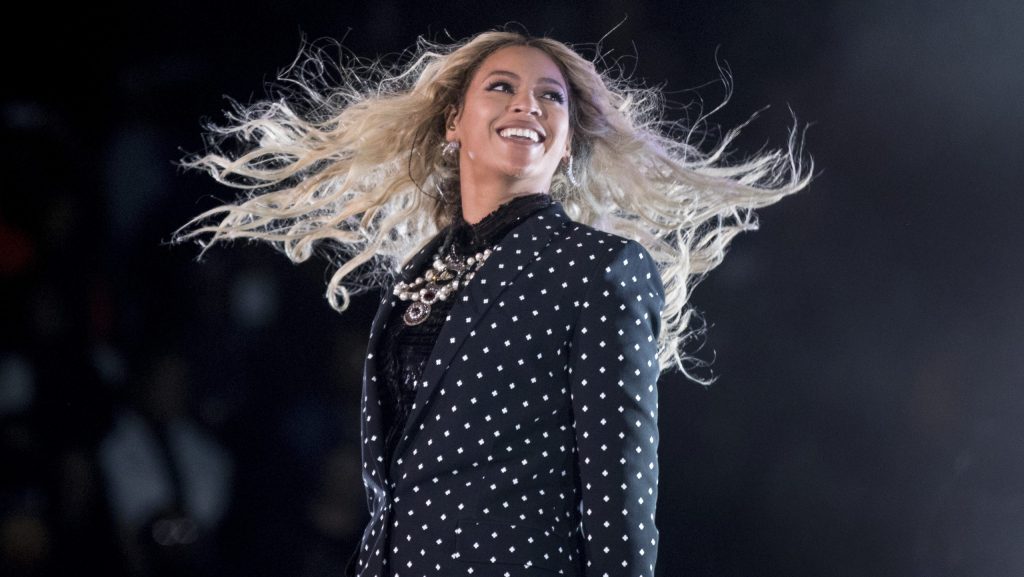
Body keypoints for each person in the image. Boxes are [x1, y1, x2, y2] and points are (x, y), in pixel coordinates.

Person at [175, 29, 811, 577]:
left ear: (567, 143)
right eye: (501, 86)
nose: (526, 104)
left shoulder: (599, 267)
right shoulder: (418, 275)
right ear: (454, 122)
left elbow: (621, 497)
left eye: (550, 96)